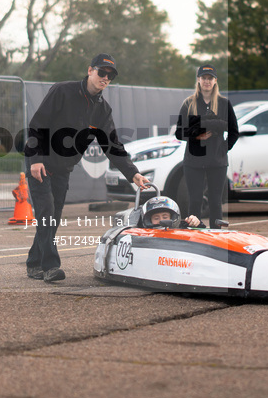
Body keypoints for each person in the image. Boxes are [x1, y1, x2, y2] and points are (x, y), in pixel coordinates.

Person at [24, 53, 150, 282]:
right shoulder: (62, 91)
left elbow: (112, 145)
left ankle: (34, 263)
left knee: (53, 217)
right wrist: (35, 159)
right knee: (46, 213)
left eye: (110, 76)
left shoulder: (102, 110)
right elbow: (37, 125)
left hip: (63, 168)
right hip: (40, 162)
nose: (105, 78)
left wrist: (133, 174)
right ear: (90, 70)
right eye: (102, 72)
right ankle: (50, 267)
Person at [175, 64, 239, 227]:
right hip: (193, 161)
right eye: (204, 78)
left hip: (217, 162)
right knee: (195, 200)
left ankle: (216, 236)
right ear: (198, 80)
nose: (207, 81)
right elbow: (179, 133)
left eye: (210, 78)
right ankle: (194, 237)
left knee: (215, 202)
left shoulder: (224, 103)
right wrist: (197, 134)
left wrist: (223, 149)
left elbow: (234, 131)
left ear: (215, 80)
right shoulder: (189, 103)